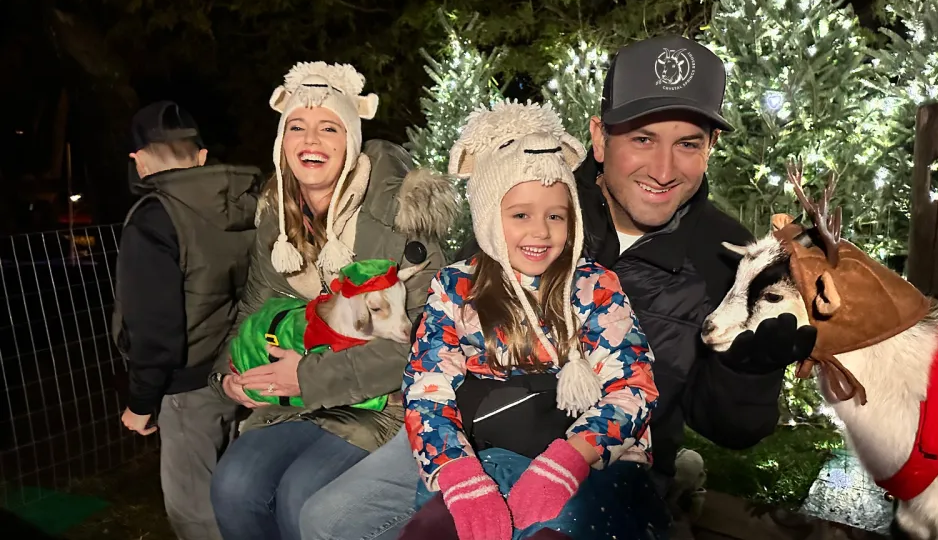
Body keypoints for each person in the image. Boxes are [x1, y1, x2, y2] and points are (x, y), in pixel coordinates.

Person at [298, 35, 816, 540]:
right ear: (599, 137)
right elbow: (448, 339)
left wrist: (748, 373)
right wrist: (468, 447)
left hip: (602, 456)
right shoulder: (533, 190)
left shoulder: (728, 257)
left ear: (710, 147)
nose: (663, 169)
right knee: (327, 520)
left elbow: (723, 424)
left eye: (687, 144)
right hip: (468, 428)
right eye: (642, 138)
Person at [207, 61, 457, 540]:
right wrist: (230, 375)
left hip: (384, 401)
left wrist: (306, 375)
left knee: (302, 497)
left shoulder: (398, 216)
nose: (311, 140)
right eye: (296, 126)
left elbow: (423, 341)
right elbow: (257, 306)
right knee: (233, 486)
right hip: (300, 396)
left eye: (328, 127)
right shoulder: (279, 216)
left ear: (351, 140)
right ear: (282, 141)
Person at [398, 100, 658, 540]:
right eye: (521, 215)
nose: (540, 231)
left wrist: (571, 459)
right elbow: (427, 387)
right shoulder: (456, 288)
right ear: (488, 216)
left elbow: (633, 387)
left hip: (586, 461)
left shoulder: (594, 287)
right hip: (480, 456)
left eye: (555, 216)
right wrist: (457, 472)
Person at [113, 100, 262, 540]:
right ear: (200, 156)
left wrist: (141, 402)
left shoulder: (155, 219)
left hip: (186, 388)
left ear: (138, 160)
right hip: (238, 369)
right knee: (239, 496)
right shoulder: (244, 205)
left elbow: (155, 328)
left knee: (195, 515)